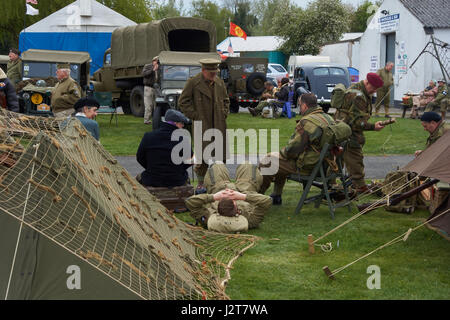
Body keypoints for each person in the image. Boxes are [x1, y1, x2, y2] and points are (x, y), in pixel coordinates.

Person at [259, 93, 335, 205]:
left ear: (304, 106)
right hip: (324, 165)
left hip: (308, 166)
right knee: (277, 161)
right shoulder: (328, 118)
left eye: (299, 105)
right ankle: (276, 196)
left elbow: (292, 149)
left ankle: (257, 196)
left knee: (268, 162)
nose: (299, 108)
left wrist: (281, 154)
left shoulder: (308, 122)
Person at [178, 58, 230, 194]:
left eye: (215, 71)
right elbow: (183, 102)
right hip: (202, 124)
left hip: (219, 122)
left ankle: (220, 182)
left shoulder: (219, 82)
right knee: (202, 156)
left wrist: (224, 112)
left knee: (221, 154)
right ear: (203, 70)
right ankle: (201, 184)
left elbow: (226, 100)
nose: (214, 74)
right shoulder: (193, 82)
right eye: (211, 72)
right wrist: (195, 115)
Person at [334, 72, 386, 194]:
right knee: (355, 158)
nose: (374, 91)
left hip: (341, 129)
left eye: (376, 89)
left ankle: (331, 183)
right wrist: (373, 126)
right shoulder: (358, 96)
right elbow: (357, 123)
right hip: (349, 133)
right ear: (366, 82)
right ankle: (360, 186)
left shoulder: (356, 89)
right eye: (373, 88)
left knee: (338, 159)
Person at [185, 162, 272, 231]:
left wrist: (214, 197)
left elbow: (190, 202)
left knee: (217, 165)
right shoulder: (250, 220)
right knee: (248, 165)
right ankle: (258, 190)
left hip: (219, 189)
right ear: (236, 207)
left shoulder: (209, 217)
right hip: (245, 190)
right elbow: (267, 201)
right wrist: (242, 196)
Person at [136, 109, 193, 188]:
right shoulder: (183, 139)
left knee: (138, 178)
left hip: (152, 179)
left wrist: (152, 169)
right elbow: (190, 160)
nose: (183, 126)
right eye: (182, 123)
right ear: (175, 123)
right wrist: (178, 170)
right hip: (177, 180)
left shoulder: (148, 136)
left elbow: (140, 157)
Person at [142, 56, 160, 125]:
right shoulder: (147, 66)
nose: (157, 62)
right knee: (148, 105)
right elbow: (144, 74)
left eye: (158, 61)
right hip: (148, 88)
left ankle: (156, 120)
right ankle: (146, 120)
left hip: (156, 88)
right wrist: (153, 69)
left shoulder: (159, 67)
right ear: (153, 61)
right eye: (156, 61)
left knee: (156, 105)